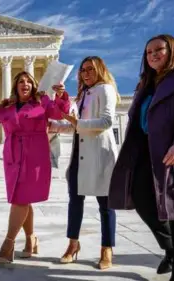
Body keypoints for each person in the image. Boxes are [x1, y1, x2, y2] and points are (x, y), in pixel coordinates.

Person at [108, 34, 174, 281]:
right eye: (148, 52)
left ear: (172, 49)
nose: (153, 54)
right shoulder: (147, 84)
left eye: (158, 49)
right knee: (142, 199)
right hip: (145, 151)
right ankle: (171, 249)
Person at [0, 71, 71, 264]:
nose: (25, 84)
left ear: (33, 86)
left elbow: (60, 113)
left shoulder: (42, 103)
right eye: (21, 81)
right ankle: (31, 240)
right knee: (23, 199)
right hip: (13, 156)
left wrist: (60, 96)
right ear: (16, 86)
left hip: (35, 157)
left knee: (20, 199)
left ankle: (8, 246)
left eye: (29, 82)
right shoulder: (7, 107)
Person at [49, 56, 120, 270]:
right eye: (82, 70)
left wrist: (77, 122)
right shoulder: (81, 96)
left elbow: (107, 121)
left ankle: (106, 248)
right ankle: (73, 244)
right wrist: (52, 125)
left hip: (100, 154)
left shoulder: (104, 89)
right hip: (79, 155)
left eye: (90, 69)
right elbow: (73, 126)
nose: (85, 73)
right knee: (75, 203)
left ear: (99, 70)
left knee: (105, 206)